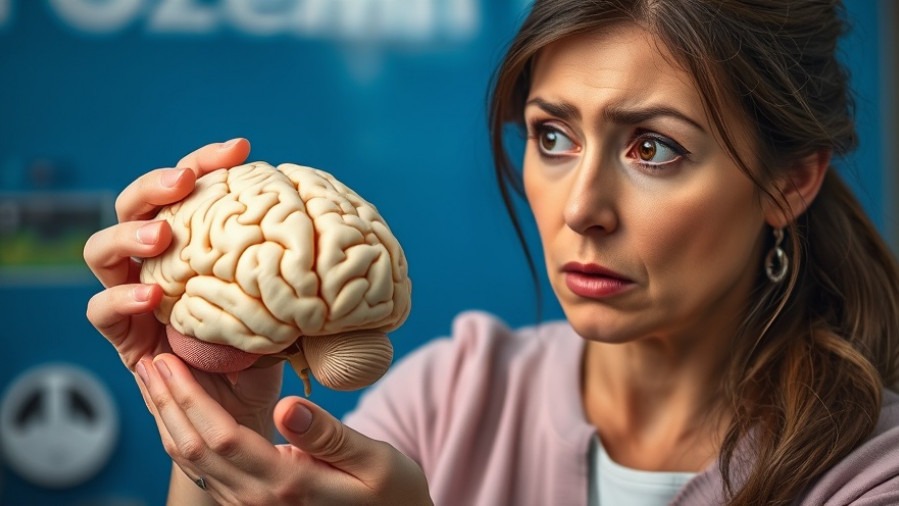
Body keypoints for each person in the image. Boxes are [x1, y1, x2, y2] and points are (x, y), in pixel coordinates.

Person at [84, 0, 899, 504]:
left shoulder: (870, 470)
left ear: (789, 183)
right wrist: (221, 424)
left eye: (653, 148)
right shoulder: (456, 395)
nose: (580, 208)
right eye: (551, 136)